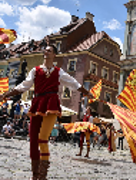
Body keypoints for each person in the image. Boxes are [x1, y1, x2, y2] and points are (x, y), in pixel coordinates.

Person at [0, 44, 93, 180]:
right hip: (37, 103)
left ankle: (42, 176)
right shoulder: (35, 70)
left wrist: (86, 93)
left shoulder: (58, 71)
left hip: (51, 103)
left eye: (49, 50)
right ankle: (35, 175)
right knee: (33, 141)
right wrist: (7, 94)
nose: (46, 52)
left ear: (54, 54)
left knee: (42, 139)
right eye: (45, 50)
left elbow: (72, 82)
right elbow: (24, 85)